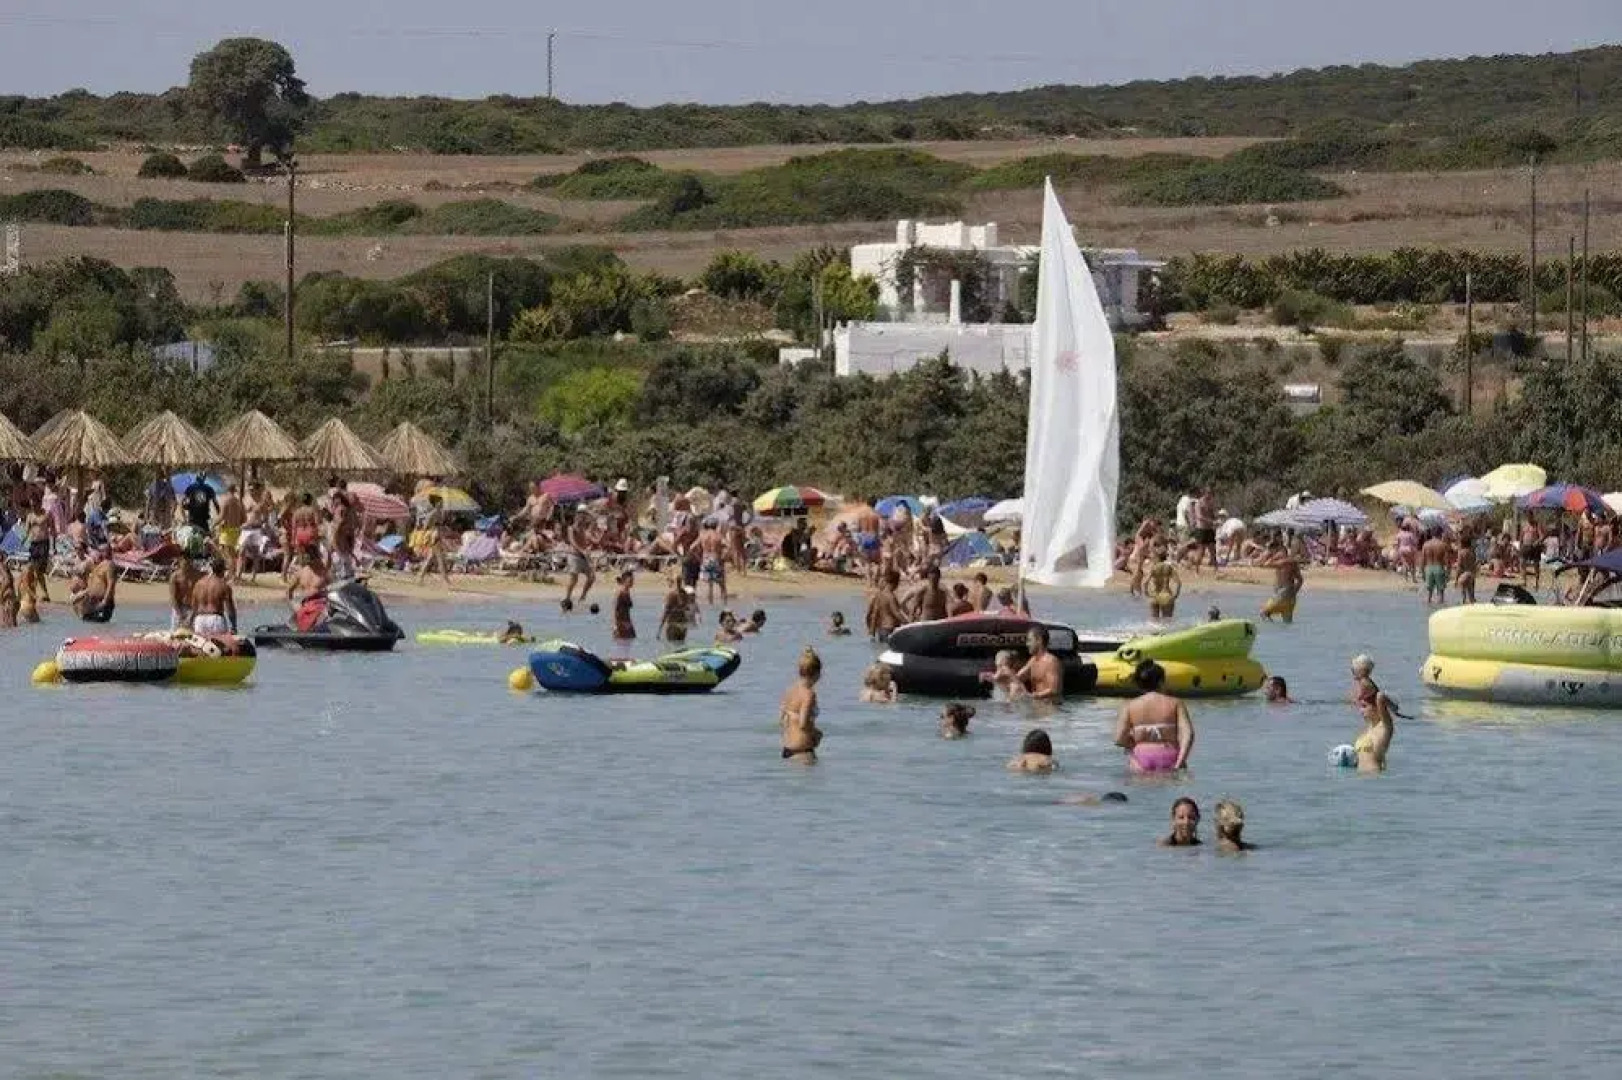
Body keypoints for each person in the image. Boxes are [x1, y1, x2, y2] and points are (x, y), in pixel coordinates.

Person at [1113, 660, 1194, 773]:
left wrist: (1132, 746)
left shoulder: (1129, 706)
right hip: (1171, 757)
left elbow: (1119, 739)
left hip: (1140, 760)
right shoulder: (1176, 703)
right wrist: (1179, 763)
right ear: (1161, 682)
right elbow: (1188, 735)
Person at [1350, 654, 1396, 772]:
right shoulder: (1368, 730)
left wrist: (1392, 707)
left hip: (1375, 778)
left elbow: (1380, 696)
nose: (1361, 710)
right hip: (1359, 780)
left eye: (1364, 707)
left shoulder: (1385, 728)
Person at [780, 647, 824, 762]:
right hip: (803, 750)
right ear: (817, 673)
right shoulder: (809, 694)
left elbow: (782, 720)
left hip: (787, 748)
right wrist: (817, 733)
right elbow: (803, 724)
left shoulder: (790, 691)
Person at [189, 556, 238, 636]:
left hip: (200, 619)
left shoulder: (199, 584)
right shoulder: (224, 585)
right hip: (215, 619)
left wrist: (190, 623)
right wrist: (234, 627)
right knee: (219, 646)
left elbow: (194, 606)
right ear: (222, 570)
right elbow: (230, 609)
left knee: (200, 647)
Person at [1015, 625, 1064, 703]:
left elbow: (1054, 690)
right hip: (1037, 706)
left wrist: (1033, 696)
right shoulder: (1033, 661)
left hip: (1051, 709)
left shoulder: (1051, 661)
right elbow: (1017, 678)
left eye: (1029, 640)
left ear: (1039, 640)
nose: (1027, 644)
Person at [1259, 539, 1303, 624]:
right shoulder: (1292, 562)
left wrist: (1272, 556)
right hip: (1291, 598)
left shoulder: (1283, 562)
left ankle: (1272, 632)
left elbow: (1264, 564)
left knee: (1263, 613)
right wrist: (1294, 592)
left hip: (1282, 595)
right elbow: (1300, 580)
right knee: (1287, 623)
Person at [71, 546, 116, 623]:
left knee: (98, 624)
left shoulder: (109, 565)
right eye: (100, 551)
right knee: (88, 621)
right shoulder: (99, 565)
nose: (101, 553)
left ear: (109, 552)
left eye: (104, 551)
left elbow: (111, 584)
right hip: (94, 601)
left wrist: (105, 601)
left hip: (103, 601)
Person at [865, 569, 907, 642]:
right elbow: (896, 613)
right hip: (891, 629)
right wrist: (908, 624)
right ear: (895, 583)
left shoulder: (878, 596)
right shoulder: (891, 597)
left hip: (881, 630)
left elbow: (874, 614)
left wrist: (872, 632)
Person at [698, 518, 728, 606]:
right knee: (722, 585)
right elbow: (729, 546)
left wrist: (699, 558)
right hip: (716, 559)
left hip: (706, 559)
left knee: (709, 586)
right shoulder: (718, 536)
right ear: (716, 526)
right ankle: (725, 606)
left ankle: (710, 605)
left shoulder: (703, 536)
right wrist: (724, 556)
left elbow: (692, 548)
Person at [1145, 548, 1181, 619]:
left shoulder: (1154, 568)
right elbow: (1179, 583)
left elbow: (1145, 582)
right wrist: (1176, 595)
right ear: (1165, 557)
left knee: (1154, 622)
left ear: (1157, 557)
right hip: (1166, 595)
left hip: (1155, 595)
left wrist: (1147, 593)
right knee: (1167, 622)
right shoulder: (1169, 567)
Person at [1419, 529, 1450, 606]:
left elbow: (1422, 559)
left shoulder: (1426, 545)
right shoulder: (1442, 545)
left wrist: (1422, 571)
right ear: (1440, 534)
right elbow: (1447, 560)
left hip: (1428, 569)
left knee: (1429, 594)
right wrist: (1448, 572)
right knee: (1441, 594)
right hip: (1439, 568)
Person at [168, 556, 199, 631]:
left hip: (193, 607)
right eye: (184, 561)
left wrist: (192, 614)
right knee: (176, 631)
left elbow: (199, 597)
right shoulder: (175, 576)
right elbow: (173, 597)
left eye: (188, 561)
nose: (186, 563)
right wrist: (180, 615)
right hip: (179, 607)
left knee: (192, 632)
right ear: (180, 562)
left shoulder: (197, 575)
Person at [218, 483, 246, 562]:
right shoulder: (239, 502)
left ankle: (231, 571)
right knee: (232, 554)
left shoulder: (226, 501)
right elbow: (244, 518)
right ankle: (233, 572)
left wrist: (213, 524)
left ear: (227, 490)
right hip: (236, 530)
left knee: (226, 552)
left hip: (227, 530)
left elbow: (221, 516)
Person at [658, 577, 690, 643]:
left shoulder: (671, 595)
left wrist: (659, 630)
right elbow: (688, 610)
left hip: (672, 625)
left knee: (672, 648)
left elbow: (665, 612)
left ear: (672, 583)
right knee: (681, 647)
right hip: (682, 625)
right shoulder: (685, 594)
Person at [612, 570, 636, 642]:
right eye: (630, 581)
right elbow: (615, 608)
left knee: (629, 643)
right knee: (623, 644)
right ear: (624, 581)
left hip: (627, 622)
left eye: (632, 580)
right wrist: (615, 625)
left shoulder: (626, 592)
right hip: (621, 624)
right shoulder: (620, 592)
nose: (632, 583)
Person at [1456, 533, 1479, 605]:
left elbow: (1459, 567)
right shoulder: (1472, 552)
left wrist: (1456, 579)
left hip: (1464, 575)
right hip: (1471, 575)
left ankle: (1463, 603)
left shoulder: (1461, 553)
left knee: (1463, 596)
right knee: (1471, 596)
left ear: (1462, 543)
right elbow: (1474, 565)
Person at [0, 557, 16, 628]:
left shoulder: (0, 566)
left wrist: (1, 593)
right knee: (11, 623)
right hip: (10, 594)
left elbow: (7, 580)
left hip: (6, 594)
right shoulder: (4, 565)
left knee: (7, 623)